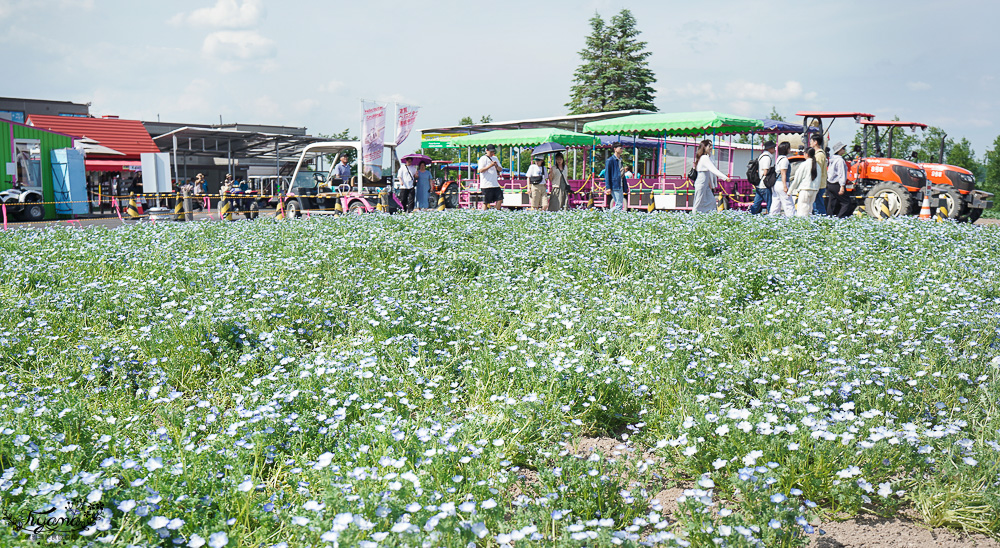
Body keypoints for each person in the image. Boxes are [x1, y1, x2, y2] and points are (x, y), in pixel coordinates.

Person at [692, 140, 730, 213]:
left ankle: (709, 216)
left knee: (711, 202)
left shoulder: (707, 157)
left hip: (705, 184)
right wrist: (725, 178)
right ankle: (694, 217)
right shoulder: (704, 158)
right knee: (698, 202)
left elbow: (709, 173)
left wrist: (711, 185)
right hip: (701, 183)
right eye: (709, 146)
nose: (711, 148)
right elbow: (713, 170)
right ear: (704, 147)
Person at [788, 148, 822, 217]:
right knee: (809, 209)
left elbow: (797, 179)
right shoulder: (817, 165)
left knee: (802, 210)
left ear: (806, 154)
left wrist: (790, 190)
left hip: (805, 189)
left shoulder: (804, 164)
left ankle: (801, 225)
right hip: (814, 190)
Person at [826, 141, 852, 218]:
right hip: (837, 184)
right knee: (846, 202)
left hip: (830, 183)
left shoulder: (831, 159)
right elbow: (841, 173)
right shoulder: (840, 160)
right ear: (839, 150)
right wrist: (842, 186)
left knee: (832, 202)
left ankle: (830, 217)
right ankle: (840, 217)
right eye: (843, 148)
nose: (844, 150)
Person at [748, 141, 776, 214]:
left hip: (759, 184)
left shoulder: (762, 156)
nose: (774, 149)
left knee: (756, 204)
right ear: (769, 148)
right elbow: (765, 171)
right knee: (770, 204)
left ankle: (750, 215)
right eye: (773, 148)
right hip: (764, 185)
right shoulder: (767, 157)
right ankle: (772, 217)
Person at [769, 142, 795, 216]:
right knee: (788, 203)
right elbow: (783, 173)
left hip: (776, 183)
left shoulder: (779, 158)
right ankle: (792, 219)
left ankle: (772, 217)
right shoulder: (785, 160)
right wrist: (785, 186)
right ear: (786, 149)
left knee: (776, 202)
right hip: (782, 183)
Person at [478, 144, 504, 210]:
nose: (492, 153)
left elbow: (500, 169)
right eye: (490, 151)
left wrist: (496, 166)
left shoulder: (495, 158)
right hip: (486, 184)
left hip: (495, 183)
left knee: (500, 199)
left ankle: (495, 212)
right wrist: (490, 165)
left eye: (493, 152)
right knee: (485, 202)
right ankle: (484, 214)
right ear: (486, 150)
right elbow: (480, 170)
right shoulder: (483, 158)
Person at [604, 143, 627, 211]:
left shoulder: (620, 160)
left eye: (622, 148)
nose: (622, 149)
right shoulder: (610, 160)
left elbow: (622, 175)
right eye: (620, 148)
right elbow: (607, 174)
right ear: (615, 149)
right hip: (615, 185)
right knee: (619, 205)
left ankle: (612, 217)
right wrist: (608, 187)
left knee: (619, 204)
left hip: (620, 184)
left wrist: (626, 187)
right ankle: (607, 216)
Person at [810, 134, 828, 215]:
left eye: (811, 141)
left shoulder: (819, 155)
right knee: (817, 204)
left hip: (818, 184)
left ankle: (821, 220)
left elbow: (817, 169)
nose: (810, 143)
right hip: (818, 183)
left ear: (815, 142)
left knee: (818, 206)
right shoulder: (818, 154)